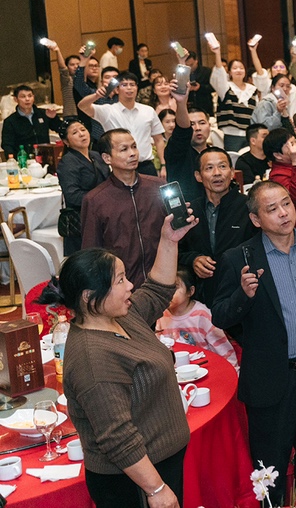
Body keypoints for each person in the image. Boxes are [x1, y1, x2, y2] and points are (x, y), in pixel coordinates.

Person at [43, 212, 195, 508]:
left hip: (156, 469)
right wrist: (156, 489)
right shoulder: (92, 358)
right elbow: (117, 438)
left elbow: (157, 290)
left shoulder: (121, 316)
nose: (130, 286)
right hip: (132, 484)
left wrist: (169, 240)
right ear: (90, 297)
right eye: (120, 280)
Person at [211, 181, 296, 504]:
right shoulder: (238, 258)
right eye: (272, 209)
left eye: (286, 203)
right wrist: (243, 296)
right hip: (271, 382)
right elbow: (220, 315)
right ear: (256, 219)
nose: (284, 213)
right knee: (269, 472)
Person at [81, 129, 167, 287]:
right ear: (107, 158)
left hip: (162, 280)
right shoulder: (95, 200)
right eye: (124, 149)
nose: (133, 153)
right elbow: (92, 253)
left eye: (134, 147)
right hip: (122, 286)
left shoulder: (158, 187)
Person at [179, 147, 258, 306]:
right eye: (209, 168)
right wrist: (193, 259)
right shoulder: (190, 211)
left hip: (242, 294)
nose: (217, 173)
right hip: (201, 300)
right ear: (198, 176)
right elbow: (176, 252)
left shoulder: (249, 207)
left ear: (232, 172)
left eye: (222, 166)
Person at [79, 73, 166, 177]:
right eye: (124, 85)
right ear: (117, 89)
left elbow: (159, 140)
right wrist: (96, 96)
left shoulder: (149, 111)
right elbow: (82, 106)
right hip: (120, 168)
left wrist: (163, 164)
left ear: (137, 88)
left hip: (146, 166)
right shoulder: (108, 111)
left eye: (132, 84)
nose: (129, 88)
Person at [156, 264, 238, 369]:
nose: (168, 292)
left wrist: (232, 372)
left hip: (206, 367)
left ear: (190, 291)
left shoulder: (202, 315)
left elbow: (223, 349)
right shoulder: (162, 314)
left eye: (175, 287)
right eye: (166, 287)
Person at [57, 118, 108, 257]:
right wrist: (100, 199)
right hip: (82, 219)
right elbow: (72, 195)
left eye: (83, 130)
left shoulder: (96, 155)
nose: (81, 134)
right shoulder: (68, 162)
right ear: (66, 141)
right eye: (75, 132)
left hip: (102, 215)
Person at [164, 87, 214, 203]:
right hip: (186, 208)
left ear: (209, 125)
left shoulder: (214, 153)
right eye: (192, 124)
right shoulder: (176, 151)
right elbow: (182, 133)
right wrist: (181, 103)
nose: (197, 128)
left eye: (202, 123)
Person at [1, 84, 64, 157]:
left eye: (30, 96)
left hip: (45, 156)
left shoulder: (43, 114)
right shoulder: (10, 121)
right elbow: (7, 145)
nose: (27, 99)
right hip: (24, 157)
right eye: (23, 96)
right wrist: (11, 159)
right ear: (16, 99)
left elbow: (61, 129)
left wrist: (54, 118)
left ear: (33, 97)